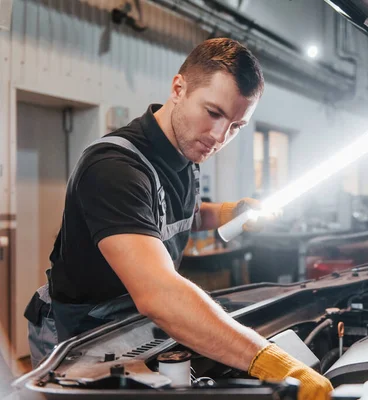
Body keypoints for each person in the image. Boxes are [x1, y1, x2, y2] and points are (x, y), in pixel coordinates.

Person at [24, 38, 333, 399]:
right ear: (178, 88)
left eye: (235, 127)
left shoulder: (183, 155)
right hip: (78, 334)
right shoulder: (113, 168)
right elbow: (159, 294)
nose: (219, 137)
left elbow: (174, 216)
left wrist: (226, 212)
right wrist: (270, 362)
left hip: (134, 326)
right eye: (214, 113)